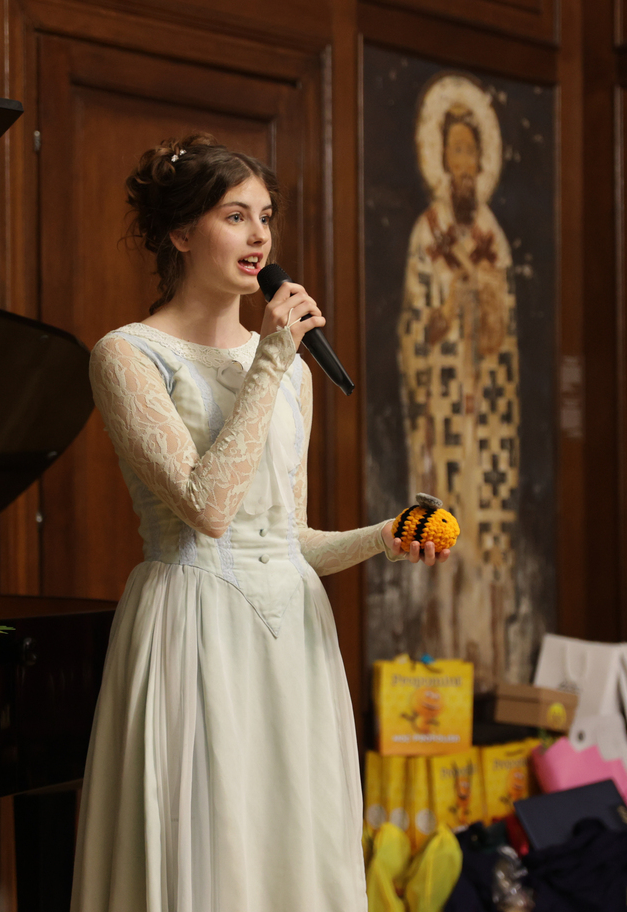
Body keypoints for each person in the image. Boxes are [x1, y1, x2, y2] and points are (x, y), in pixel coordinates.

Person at [71, 133, 449, 912]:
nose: (259, 238)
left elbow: (287, 538)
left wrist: (386, 535)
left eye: (266, 218)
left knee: (292, 851)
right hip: (194, 625)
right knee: (210, 850)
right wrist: (273, 359)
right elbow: (208, 510)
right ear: (182, 233)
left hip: (292, 638)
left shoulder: (288, 369)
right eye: (235, 216)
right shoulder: (128, 356)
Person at [398, 72, 519, 687]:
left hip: (488, 412)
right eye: (456, 151)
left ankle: (489, 669)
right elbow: (414, 327)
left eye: (472, 151)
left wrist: (486, 300)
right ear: (441, 160)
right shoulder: (428, 233)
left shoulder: (493, 236)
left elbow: (505, 334)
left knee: (486, 540)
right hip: (443, 410)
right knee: (443, 534)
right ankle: (441, 664)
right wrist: (444, 316)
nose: (464, 162)